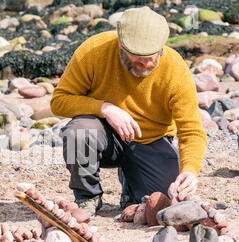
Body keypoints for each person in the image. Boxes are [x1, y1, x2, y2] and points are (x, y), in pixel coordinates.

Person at [50, 6, 207, 218]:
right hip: (104, 136)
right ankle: (88, 197)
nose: (144, 62)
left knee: (164, 199)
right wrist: (105, 108)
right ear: (120, 45)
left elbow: (191, 131)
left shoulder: (175, 70)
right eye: (136, 56)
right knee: (79, 131)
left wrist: (189, 170)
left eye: (151, 55)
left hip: (151, 140)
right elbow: (59, 102)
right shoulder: (94, 51)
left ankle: (130, 188)